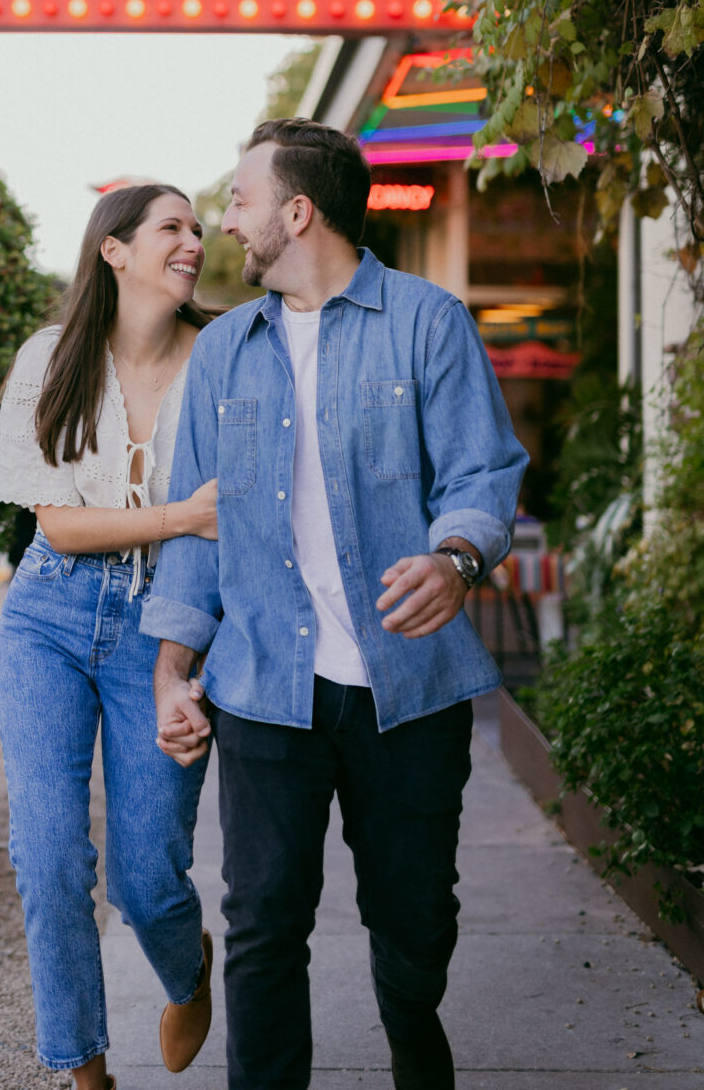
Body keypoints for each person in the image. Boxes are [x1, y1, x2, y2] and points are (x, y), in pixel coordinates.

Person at [141, 120, 529, 1090]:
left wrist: (454, 557)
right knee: (263, 920)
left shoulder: (426, 321)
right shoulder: (224, 350)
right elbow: (198, 521)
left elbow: (482, 471)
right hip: (265, 681)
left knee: (412, 922)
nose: (226, 221)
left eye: (238, 200)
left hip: (407, 684)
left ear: (295, 211)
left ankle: (408, 1021)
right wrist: (171, 672)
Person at [0, 184, 219, 1090]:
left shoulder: (222, 359)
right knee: (47, 856)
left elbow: (232, 523)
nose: (194, 242)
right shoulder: (50, 358)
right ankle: (83, 1071)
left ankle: (188, 967)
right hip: (47, 615)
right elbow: (60, 525)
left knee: (148, 877)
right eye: (172, 227)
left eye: (200, 227)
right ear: (113, 251)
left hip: (163, 623)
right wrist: (182, 515)